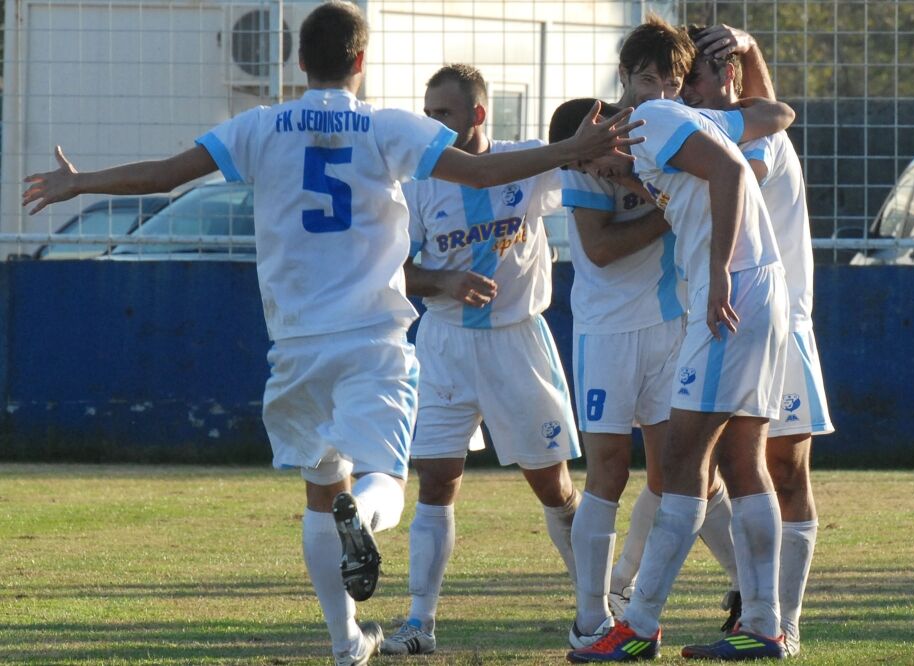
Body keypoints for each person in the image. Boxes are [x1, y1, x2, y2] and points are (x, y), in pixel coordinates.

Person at [20, 3, 642, 664]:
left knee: (321, 491)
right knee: (383, 486)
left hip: (294, 346)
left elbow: (166, 175)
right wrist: (574, 148)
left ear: (296, 61)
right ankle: (366, 522)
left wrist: (81, 182)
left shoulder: (259, 126)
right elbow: (483, 173)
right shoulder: (385, 127)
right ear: (361, 61)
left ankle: (348, 644)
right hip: (372, 338)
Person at [554, 15, 797, 651]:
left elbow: (731, 175)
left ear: (640, 83)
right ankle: (763, 625)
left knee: (685, 464)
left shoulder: (653, 120)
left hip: (733, 292)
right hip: (760, 290)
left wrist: (715, 272)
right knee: (743, 463)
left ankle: (636, 626)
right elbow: (777, 114)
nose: (591, 162)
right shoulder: (685, 121)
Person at [380, 63, 582, 656]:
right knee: (437, 480)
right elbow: (393, 268)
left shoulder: (527, 164)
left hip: (517, 341)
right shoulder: (418, 184)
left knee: (552, 485)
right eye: (427, 113)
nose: (432, 123)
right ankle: (420, 622)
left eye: (443, 112)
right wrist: (442, 281)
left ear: (477, 114)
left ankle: (596, 604)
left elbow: (587, 175)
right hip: (443, 346)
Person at [681, 24, 835, 659]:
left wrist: (747, 47)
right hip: (723, 323)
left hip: (781, 324)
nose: (683, 92)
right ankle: (756, 595)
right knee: (703, 465)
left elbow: (767, 125)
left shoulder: (756, 139)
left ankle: (780, 622)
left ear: (725, 82)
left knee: (781, 468)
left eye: (693, 78)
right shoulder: (692, 138)